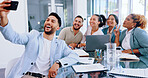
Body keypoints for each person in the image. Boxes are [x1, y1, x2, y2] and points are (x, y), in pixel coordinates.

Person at [0, 1, 79, 78]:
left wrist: (58, 63)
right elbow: (13, 37)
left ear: (58, 27)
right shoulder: (33, 35)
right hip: (28, 75)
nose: (48, 22)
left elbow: (75, 56)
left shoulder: (60, 44)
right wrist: (4, 17)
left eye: (53, 21)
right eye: (47, 20)